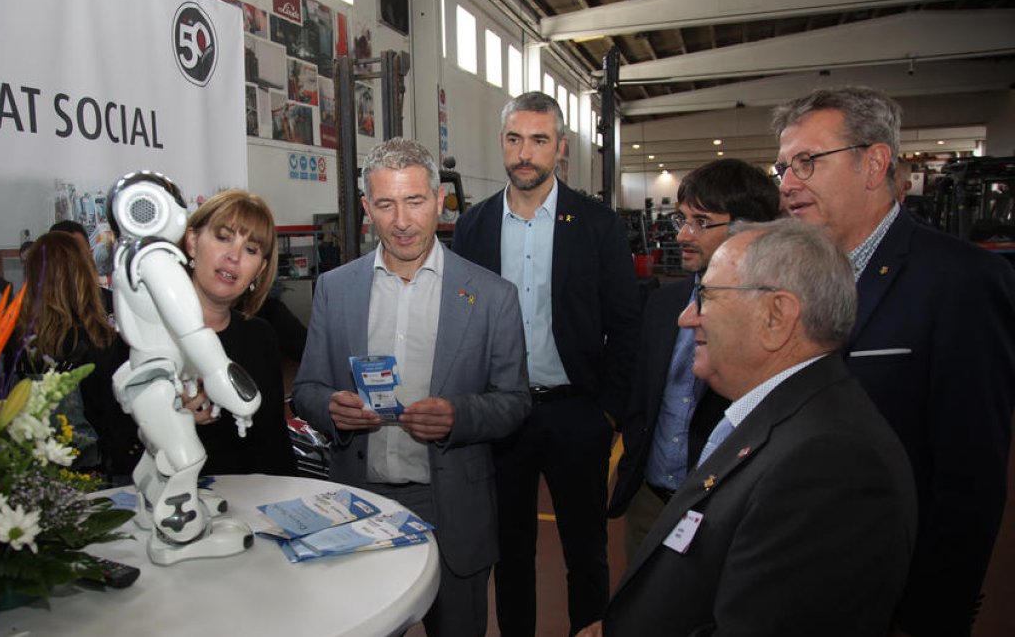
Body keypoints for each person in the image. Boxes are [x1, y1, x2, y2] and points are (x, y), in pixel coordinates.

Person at [581, 219, 918, 637]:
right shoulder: (778, 415)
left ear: (777, 316)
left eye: (706, 297)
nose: (687, 318)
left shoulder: (830, 466)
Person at [771, 86, 1015, 636]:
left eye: (807, 162)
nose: (788, 184)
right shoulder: (796, 278)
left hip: (893, 591)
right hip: (797, 575)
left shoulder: (961, 281)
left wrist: (931, 610)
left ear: (874, 162)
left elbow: (970, 476)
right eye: (783, 167)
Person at [292, 138, 531, 636]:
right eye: (385, 204)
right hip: (360, 501)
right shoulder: (336, 290)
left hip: (451, 508)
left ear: (440, 200)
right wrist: (331, 408)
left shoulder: (491, 297)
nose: (402, 220)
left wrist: (459, 416)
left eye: (415, 201)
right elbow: (307, 388)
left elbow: (514, 402)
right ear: (366, 209)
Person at [451, 90, 641, 635]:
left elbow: (626, 323)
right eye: (515, 140)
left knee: (586, 551)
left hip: (577, 412)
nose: (525, 153)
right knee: (510, 552)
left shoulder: (598, 224)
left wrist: (608, 412)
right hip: (502, 414)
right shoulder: (475, 226)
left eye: (539, 140)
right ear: (502, 145)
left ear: (561, 147)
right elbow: (464, 320)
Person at [608, 158, 779, 559]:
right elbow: (642, 392)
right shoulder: (663, 303)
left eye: (701, 222)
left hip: (724, 508)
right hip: (650, 500)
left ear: (749, 230)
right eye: (681, 220)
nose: (683, 234)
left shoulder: (774, 319)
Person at [180, 189, 296, 477]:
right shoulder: (146, 336)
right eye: (223, 237)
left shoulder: (261, 336)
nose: (234, 257)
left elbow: (275, 447)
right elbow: (116, 449)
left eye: (251, 250)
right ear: (193, 242)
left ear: (260, 270)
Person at [10, 232, 135, 476]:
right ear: (84, 273)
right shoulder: (105, 341)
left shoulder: (20, 343)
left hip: (41, 470)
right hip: (101, 472)